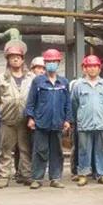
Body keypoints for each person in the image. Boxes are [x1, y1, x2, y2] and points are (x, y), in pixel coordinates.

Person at [25, 48, 71, 189]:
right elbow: (31, 101)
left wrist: (67, 120)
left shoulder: (64, 82)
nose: (52, 64)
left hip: (57, 122)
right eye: (49, 61)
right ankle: (37, 178)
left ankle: (55, 178)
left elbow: (68, 103)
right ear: (45, 63)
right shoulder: (38, 81)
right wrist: (30, 117)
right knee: (39, 151)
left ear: (58, 63)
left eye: (54, 61)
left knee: (57, 152)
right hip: (41, 122)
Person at [0, 40, 34, 188]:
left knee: (25, 149)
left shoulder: (31, 78)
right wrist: (6, 109)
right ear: (8, 60)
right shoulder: (1, 79)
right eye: (12, 57)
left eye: (18, 57)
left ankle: (26, 175)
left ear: (23, 59)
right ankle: (4, 176)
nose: (15, 59)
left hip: (25, 120)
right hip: (7, 120)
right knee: (5, 149)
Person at [70, 55, 103, 186]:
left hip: (101, 122)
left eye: (95, 66)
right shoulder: (78, 85)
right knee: (83, 150)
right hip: (84, 123)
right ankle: (83, 174)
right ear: (85, 69)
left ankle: (101, 174)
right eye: (89, 66)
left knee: (102, 150)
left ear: (99, 68)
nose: (92, 69)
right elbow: (74, 103)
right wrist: (79, 118)